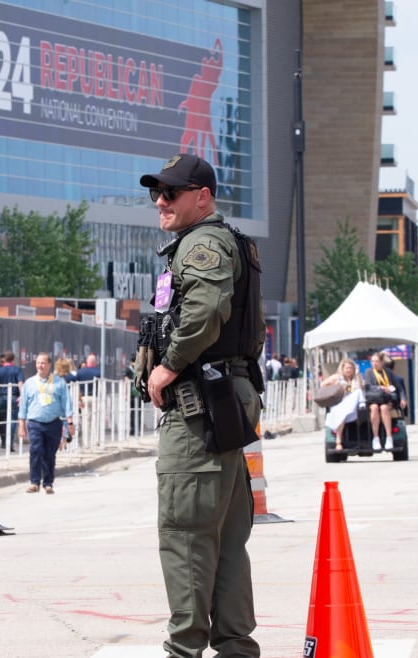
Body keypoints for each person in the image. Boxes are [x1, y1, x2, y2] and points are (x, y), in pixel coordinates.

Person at [138, 153, 265, 657]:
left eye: (171, 193)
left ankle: (184, 650)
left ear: (202, 197)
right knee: (228, 536)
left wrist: (168, 365)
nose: (160, 202)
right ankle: (235, 646)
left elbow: (206, 308)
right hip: (223, 398)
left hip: (199, 405)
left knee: (186, 532)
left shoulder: (203, 243)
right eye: (156, 193)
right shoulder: (220, 240)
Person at [18, 352, 75, 494]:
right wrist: (21, 425)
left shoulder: (59, 383)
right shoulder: (29, 383)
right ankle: (34, 482)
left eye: (43, 363)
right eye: (38, 363)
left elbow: (67, 402)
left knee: (50, 454)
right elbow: (23, 405)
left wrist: (70, 422)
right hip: (35, 423)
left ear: (49, 365)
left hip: (53, 423)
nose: (40, 366)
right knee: (36, 450)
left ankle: (48, 483)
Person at [323, 358, 365, 451]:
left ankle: (362, 405)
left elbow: (360, 389)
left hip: (353, 403)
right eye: (347, 368)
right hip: (340, 403)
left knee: (358, 391)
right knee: (341, 414)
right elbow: (323, 384)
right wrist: (336, 385)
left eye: (351, 368)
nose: (349, 370)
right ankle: (338, 442)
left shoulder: (356, 378)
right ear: (342, 369)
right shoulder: (337, 377)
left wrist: (358, 376)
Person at [0, 351, 23, 452]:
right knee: (12, 421)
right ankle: (9, 443)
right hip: (13, 397)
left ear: (4, 360)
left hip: (1, 398)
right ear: (13, 360)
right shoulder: (17, 370)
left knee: (1, 421)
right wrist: (22, 396)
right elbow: (20, 383)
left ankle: (3, 441)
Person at [363, 351, 397, 451]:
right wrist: (381, 388)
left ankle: (389, 437)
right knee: (374, 408)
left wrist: (389, 389)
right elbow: (368, 387)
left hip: (386, 399)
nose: (374, 363)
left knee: (384, 408)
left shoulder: (388, 372)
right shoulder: (369, 372)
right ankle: (376, 437)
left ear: (382, 362)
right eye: (372, 361)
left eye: (377, 361)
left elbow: (395, 386)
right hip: (374, 398)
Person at [73, 353, 101, 445]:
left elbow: (76, 386)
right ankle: (96, 440)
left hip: (84, 397)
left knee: (86, 420)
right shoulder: (98, 372)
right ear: (95, 362)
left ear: (87, 362)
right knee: (95, 419)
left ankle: (86, 441)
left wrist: (79, 399)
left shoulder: (80, 372)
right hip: (95, 397)